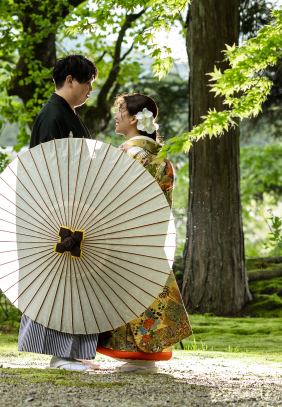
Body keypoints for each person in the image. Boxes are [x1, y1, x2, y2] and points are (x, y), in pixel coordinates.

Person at [96, 93, 192, 374]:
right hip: (148, 236)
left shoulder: (131, 156)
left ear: (135, 119)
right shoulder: (158, 157)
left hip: (126, 236)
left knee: (131, 297)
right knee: (146, 295)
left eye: (121, 111)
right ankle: (143, 357)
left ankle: (139, 358)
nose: (116, 116)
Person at [17, 54, 99, 372]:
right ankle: (60, 356)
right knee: (62, 283)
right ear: (70, 81)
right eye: (88, 82)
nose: (90, 89)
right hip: (60, 210)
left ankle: (72, 353)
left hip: (73, 205)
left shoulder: (66, 113)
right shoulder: (53, 115)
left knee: (76, 284)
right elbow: (48, 168)